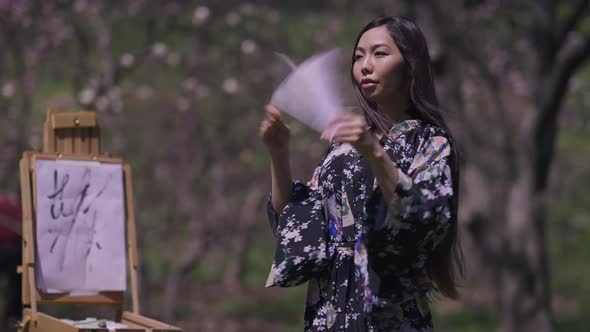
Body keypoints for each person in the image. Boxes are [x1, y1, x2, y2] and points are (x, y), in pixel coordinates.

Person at [259, 16, 463, 331]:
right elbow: (299, 225)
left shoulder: (429, 141)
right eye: (358, 57)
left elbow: (423, 220)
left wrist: (374, 152)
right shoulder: (342, 145)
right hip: (328, 316)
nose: (365, 65)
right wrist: (279, 154)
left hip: (391, 315)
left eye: (379, 54)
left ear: (411, 65)